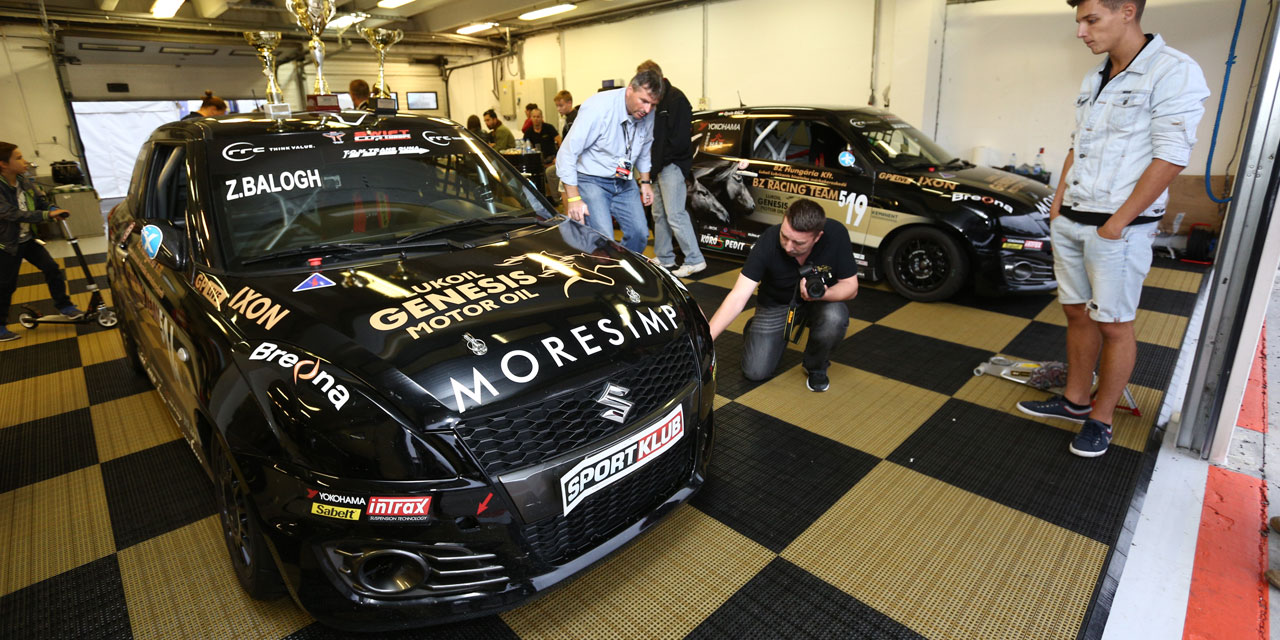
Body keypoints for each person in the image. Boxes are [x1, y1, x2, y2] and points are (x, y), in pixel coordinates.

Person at [1016, 0, 1209, 457]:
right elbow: (1077, 144)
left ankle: (1101, 419)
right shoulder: (1095, 76)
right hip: (1072, 219)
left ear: (1127, 11)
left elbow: (1171, 157)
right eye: (1079, 22)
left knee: (1115, 325)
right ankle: (1076, 401)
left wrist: (1116, 224)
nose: (1081, 32)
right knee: (1077, 314)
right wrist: (1058, 206)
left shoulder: (1173, 71)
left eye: (1091, 20)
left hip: (1117, 229)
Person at [706, 199, 857, 392]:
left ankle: (816, 366)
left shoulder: (836, 234)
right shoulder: (768, 241)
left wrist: (824, 294)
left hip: (821, 301)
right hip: (777, 303)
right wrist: (705, 340)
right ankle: (755, 328)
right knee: (755, 372)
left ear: (817, 237)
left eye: (798, 243)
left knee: (835, 316)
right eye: (784, 237)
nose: (788, 247)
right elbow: (738, 296)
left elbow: (851, 287)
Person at [554, 66, 662, 254]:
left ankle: (621, 266)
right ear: (630, 90)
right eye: (644, 101)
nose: (647, 109)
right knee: (603, 240)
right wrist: (574, 198)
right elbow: (567, 153)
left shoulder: (648, 112)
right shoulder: (598, 108)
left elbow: (645, 146)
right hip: (592, 180)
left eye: (652, 104)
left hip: (623, 179)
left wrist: (645, 182)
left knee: (640, 234)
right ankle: (603, 266)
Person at [0, 142, 82, 342]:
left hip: (27, 239)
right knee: (6, 285)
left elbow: (41, 201)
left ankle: (65, 306)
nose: (25, 161)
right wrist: (46, 215)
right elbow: (11, 214)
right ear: (3, 164)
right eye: (18, 158)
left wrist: (52, 209)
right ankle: (0, 326)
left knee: (51, 268)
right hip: (6, 244)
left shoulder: (24, 181)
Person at [637, 60, 705, 278]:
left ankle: (695, 259)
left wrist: (660, 163)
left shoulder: (676, 99)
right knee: (658, 214)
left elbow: (679, 140)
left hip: (672, 165)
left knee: (675, 214)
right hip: (655, 166)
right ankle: (665, 256)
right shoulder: (653, 100)